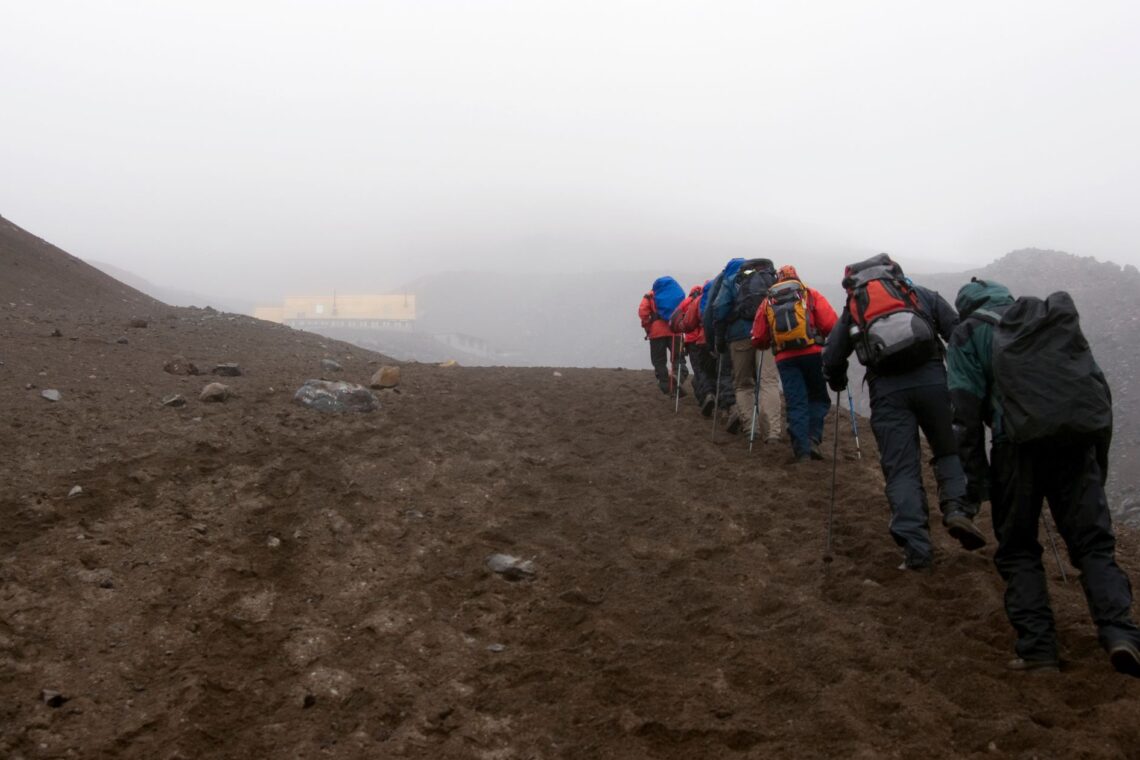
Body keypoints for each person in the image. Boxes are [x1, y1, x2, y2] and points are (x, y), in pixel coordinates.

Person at [947, 278, 1140, 675]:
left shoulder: (968, 333)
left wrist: (978, 481)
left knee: (1018, 548)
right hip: (1076, 445)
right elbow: (1097, 392)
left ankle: (1038, 651)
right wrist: (1097, 464)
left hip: (1015, 450)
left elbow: (964, 414)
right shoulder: (1047, 322)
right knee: (1093, 545)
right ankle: (1121, 634)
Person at [821, 253, 985, 570]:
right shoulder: (918, 295)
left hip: (888, 393)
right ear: (894, 272)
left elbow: (832, 356)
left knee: (902, 469)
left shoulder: (855, 309)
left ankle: (916, 549)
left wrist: (837, 380)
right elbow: (957, 333)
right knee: (948, 448)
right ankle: (957, 511)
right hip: (934, 382)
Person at [751, 266, 837, 462]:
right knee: (818, 397)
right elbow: (831, 324)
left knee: (796, 401)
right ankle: (813, 438)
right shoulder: (809, 293)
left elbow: (758, 338)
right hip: (813, 354)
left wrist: (770, 342)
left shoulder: (768, 301)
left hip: (785, 358)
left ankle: (802, 451)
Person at [711, 257, 782, 439]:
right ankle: (773, 432)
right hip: (767, 336)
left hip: (739, 337)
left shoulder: (733, 280)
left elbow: (719, 309)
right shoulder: (772, 278)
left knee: (743, 385)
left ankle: (752, 429)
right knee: (768, 381)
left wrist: (719, 338)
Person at [671, 283, 717, 416]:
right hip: (709, 339)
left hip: (693, 342)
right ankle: (713, 397)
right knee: (711, 370)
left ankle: (705, 397)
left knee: (699, 371)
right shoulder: (709, 299)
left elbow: (681, 320)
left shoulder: (689, 302)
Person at [638, 279, 685, 395]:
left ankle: (666, 385)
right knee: (678, 358)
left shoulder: (650, 295)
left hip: (656, 332)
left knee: (659, 361)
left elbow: (643, 312)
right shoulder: (675, 295)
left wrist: (647, 326)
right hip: (675, 331)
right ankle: (677, 377)